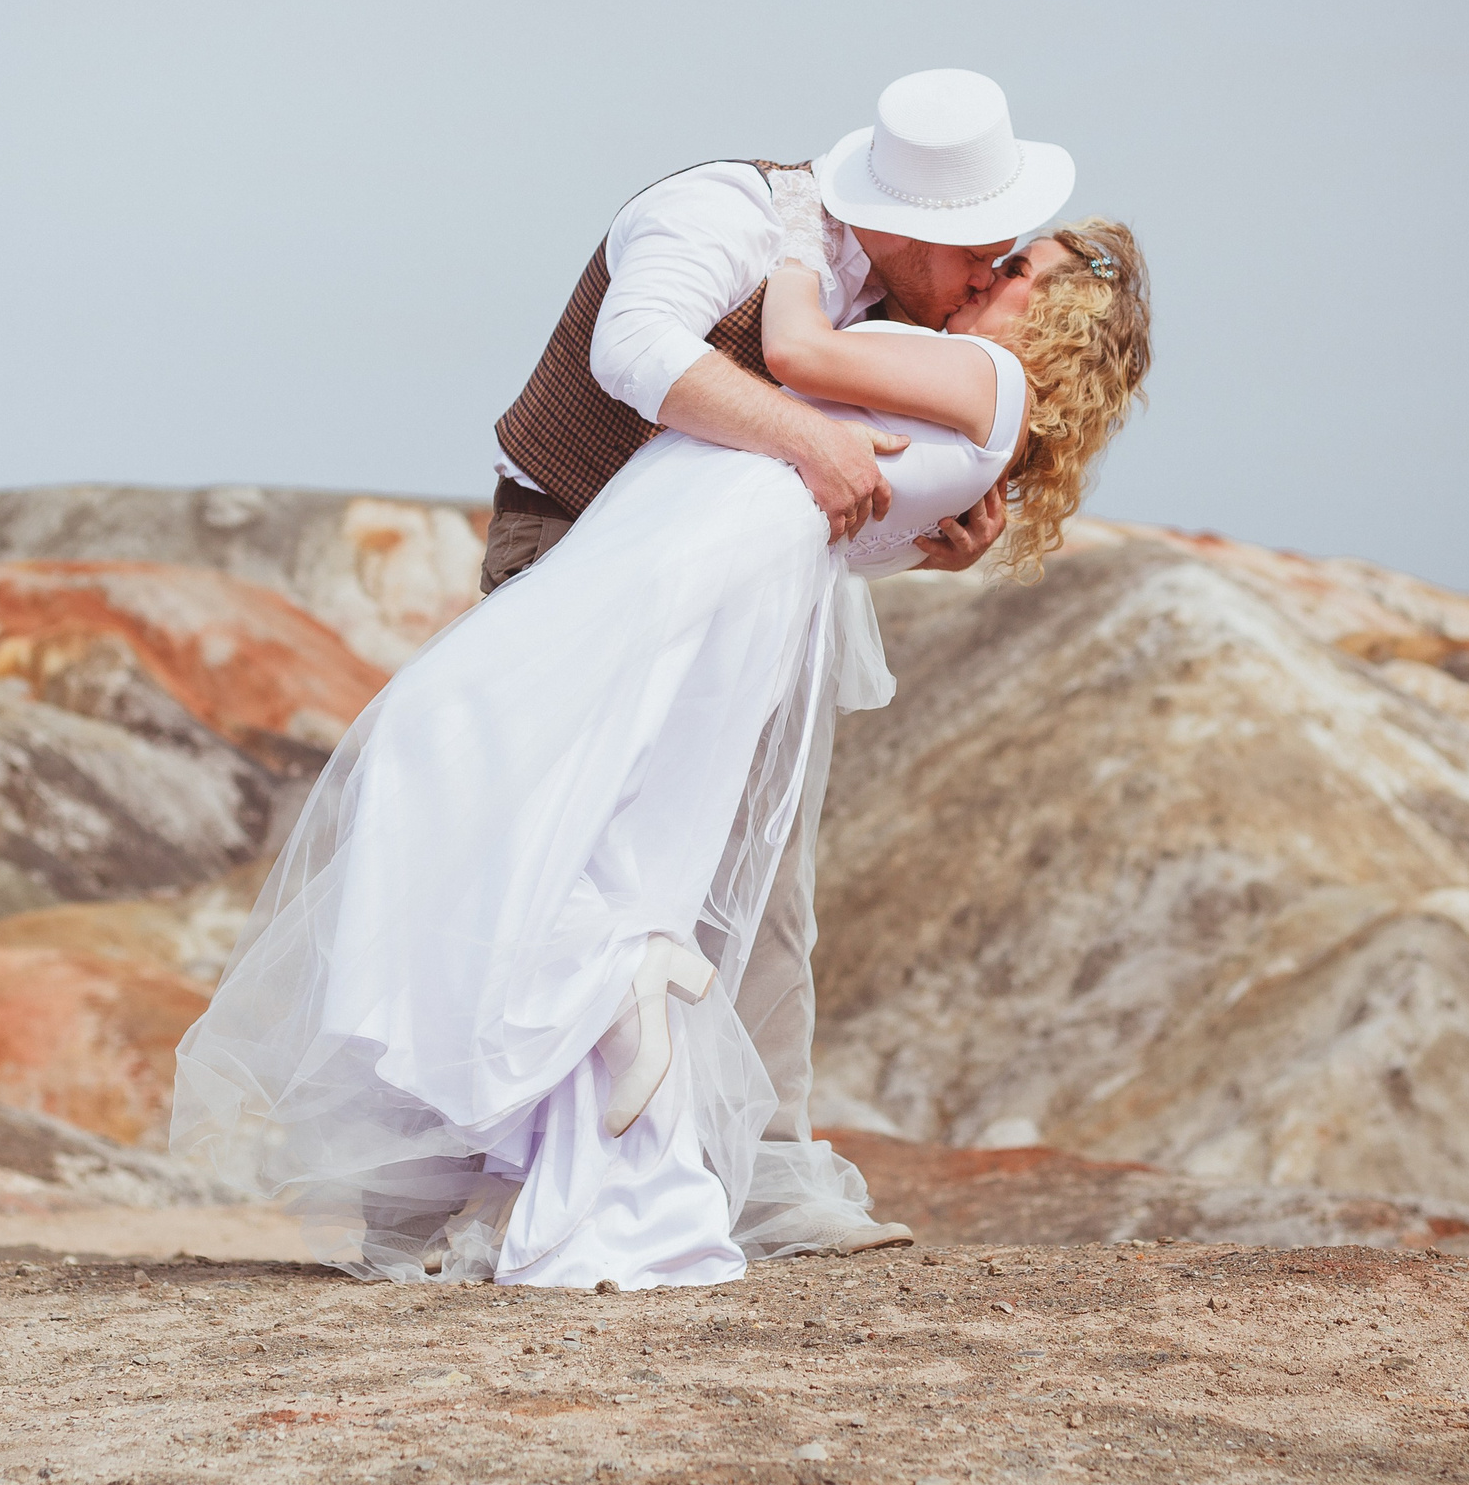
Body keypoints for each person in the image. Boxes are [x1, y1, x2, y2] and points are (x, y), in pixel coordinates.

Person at [169, 183, 1153, 1285]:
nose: (988, 271)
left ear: (1064, 315)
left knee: (561, 828)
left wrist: (800, 259)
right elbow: (705, 395)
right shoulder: (747, 226)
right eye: (985, 254)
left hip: (684, 589)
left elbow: (809, 419)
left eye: (1016, 267)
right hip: (620, 557)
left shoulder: (959, 360)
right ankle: (500, 1133)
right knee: (523, 820)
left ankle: (644, 1108)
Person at [476, 68, 1078, 1258]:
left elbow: (802, 507)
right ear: (910, 229)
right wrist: (808, 434)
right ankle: (519, 1166)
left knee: (764, 871)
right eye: (978, 256)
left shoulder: (905, 317)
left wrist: (924, 551)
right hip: (573, 557)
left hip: (754, 602)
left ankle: (763, 1165)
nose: (985, 281)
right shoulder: (721, 215)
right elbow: (635, 349)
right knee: (572, 862)